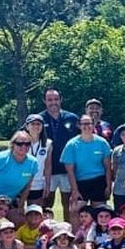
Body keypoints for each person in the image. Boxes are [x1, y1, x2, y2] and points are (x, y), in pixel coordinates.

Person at [35, 89, 82, 220]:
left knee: (68, 203)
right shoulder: (38, 119)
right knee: (46, 203)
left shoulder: (72, 118)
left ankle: (68, 233)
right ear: (44, 101)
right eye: (49, 100)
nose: (53, 102)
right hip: (47, 170)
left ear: (61, 100)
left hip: (68, 169)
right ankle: (46, 233)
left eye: (56, 99)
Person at [0, 130, 40, 208]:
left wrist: (20, 205)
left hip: (9, 202)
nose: (24, 146)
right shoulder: (0, 159)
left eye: (27, 144)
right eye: (19, 144)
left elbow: (27, 186)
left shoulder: (33, 163)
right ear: (13, 144)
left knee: (21, 219)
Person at [63, 116, 114, 213]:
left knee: (100, 212)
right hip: (80, 182)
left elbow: (108, 167)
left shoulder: (102, 143)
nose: (87, 126)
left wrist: (108, 186)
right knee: (74, 210)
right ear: (79, 126)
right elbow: (70, 171)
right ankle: (76, 229)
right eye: (84, 124)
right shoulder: (71, 145)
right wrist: (74, 190)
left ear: (93, 124)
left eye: (89, 123)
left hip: (99, 181)